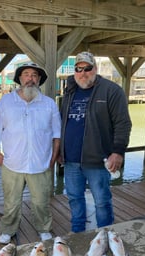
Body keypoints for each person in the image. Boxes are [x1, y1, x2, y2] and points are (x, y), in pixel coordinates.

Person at [0, 62, 61, 244]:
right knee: (11, 202)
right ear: (20, 79)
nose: (30, 78)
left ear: (39, 80)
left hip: (41, 163)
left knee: (41, 202)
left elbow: (57, 133)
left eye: (34, 75)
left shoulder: (49, 104)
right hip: (13, 163)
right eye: (26, 74)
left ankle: (44, 228)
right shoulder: (6, 102)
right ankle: (8, 229)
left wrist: (53, 156)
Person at [59, 52, 132, 233]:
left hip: (99, 160)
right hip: (71, 160)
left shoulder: (112, 90)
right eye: (78, 69)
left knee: (102, 201)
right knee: (74, 198)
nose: (83, 73)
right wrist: (60, 151)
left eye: (87, 68)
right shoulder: (69, 92)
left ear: (95, 69)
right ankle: (77, 233)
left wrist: (118, 152)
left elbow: (123, 123)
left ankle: (104, 235)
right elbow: (61, 123)